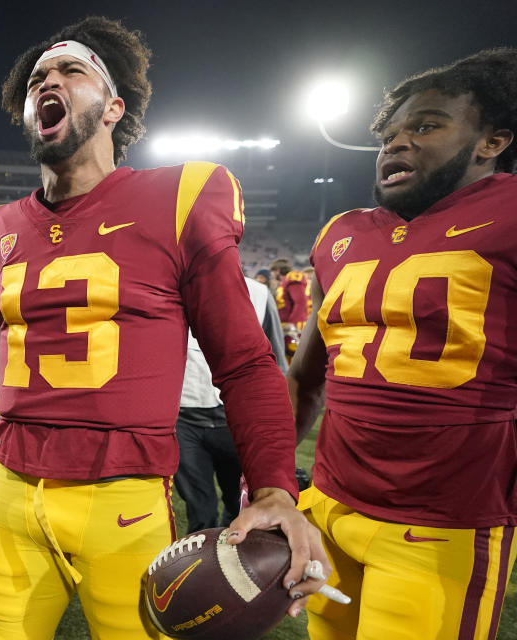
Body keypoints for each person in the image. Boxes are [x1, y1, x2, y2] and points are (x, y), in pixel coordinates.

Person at [0, 17, 327, 638]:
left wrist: (274, 489)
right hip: (10, 492)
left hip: (121, 497)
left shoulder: (179, 199)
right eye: (39, 78)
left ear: (113, 108)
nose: (51, 80)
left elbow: (243, 362)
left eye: (72, 70)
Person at [287, 48, 517, 640]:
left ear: (491, 142)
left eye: (426, 125)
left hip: (441, 524)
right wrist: (273, 485)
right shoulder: (343, 233)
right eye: (390, 133)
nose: (397, 143)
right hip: (329, 507)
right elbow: (306, 376)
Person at [175, 276, 287, 535]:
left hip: (235, 419)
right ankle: (199, 570)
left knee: (239, 506)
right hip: (184, 420)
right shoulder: (169, 283)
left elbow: (276, 364)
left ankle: (229, 567)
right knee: (200, 511)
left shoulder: (258, 292)